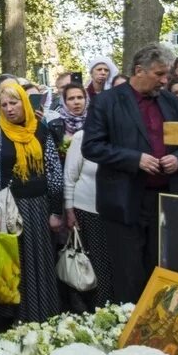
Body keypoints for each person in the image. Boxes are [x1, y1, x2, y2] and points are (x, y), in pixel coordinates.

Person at [82, 43, 178, 303]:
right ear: (138, 71)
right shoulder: (107, 101)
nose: (164, 80)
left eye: (166, 74)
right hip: (125, 201)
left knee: (164, 268)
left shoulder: (170, 102)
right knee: (128, 272)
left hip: (166, 198)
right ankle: (129, 327)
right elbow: (92, 147)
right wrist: (134, 159)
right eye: (159, 74)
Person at [0, 80, 65, 329]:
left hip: (39, 207)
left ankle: (45, 318)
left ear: (24, 102)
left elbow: (53, 171)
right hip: (10, 209)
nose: (8, 108)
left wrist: (55, 210)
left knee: (41, 261)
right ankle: (16, 322)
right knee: (16, 264)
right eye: (3, 104)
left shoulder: (41, 129)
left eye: (14, 102)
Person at [60, 85, 112, 312]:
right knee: (92, 261)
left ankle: (110, 303)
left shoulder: (118, 138)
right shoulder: (82, 137)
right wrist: (69, 211)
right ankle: (94, 306)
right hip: (85, 209)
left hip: (112, 209)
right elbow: (69, 177)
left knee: (110, 261)